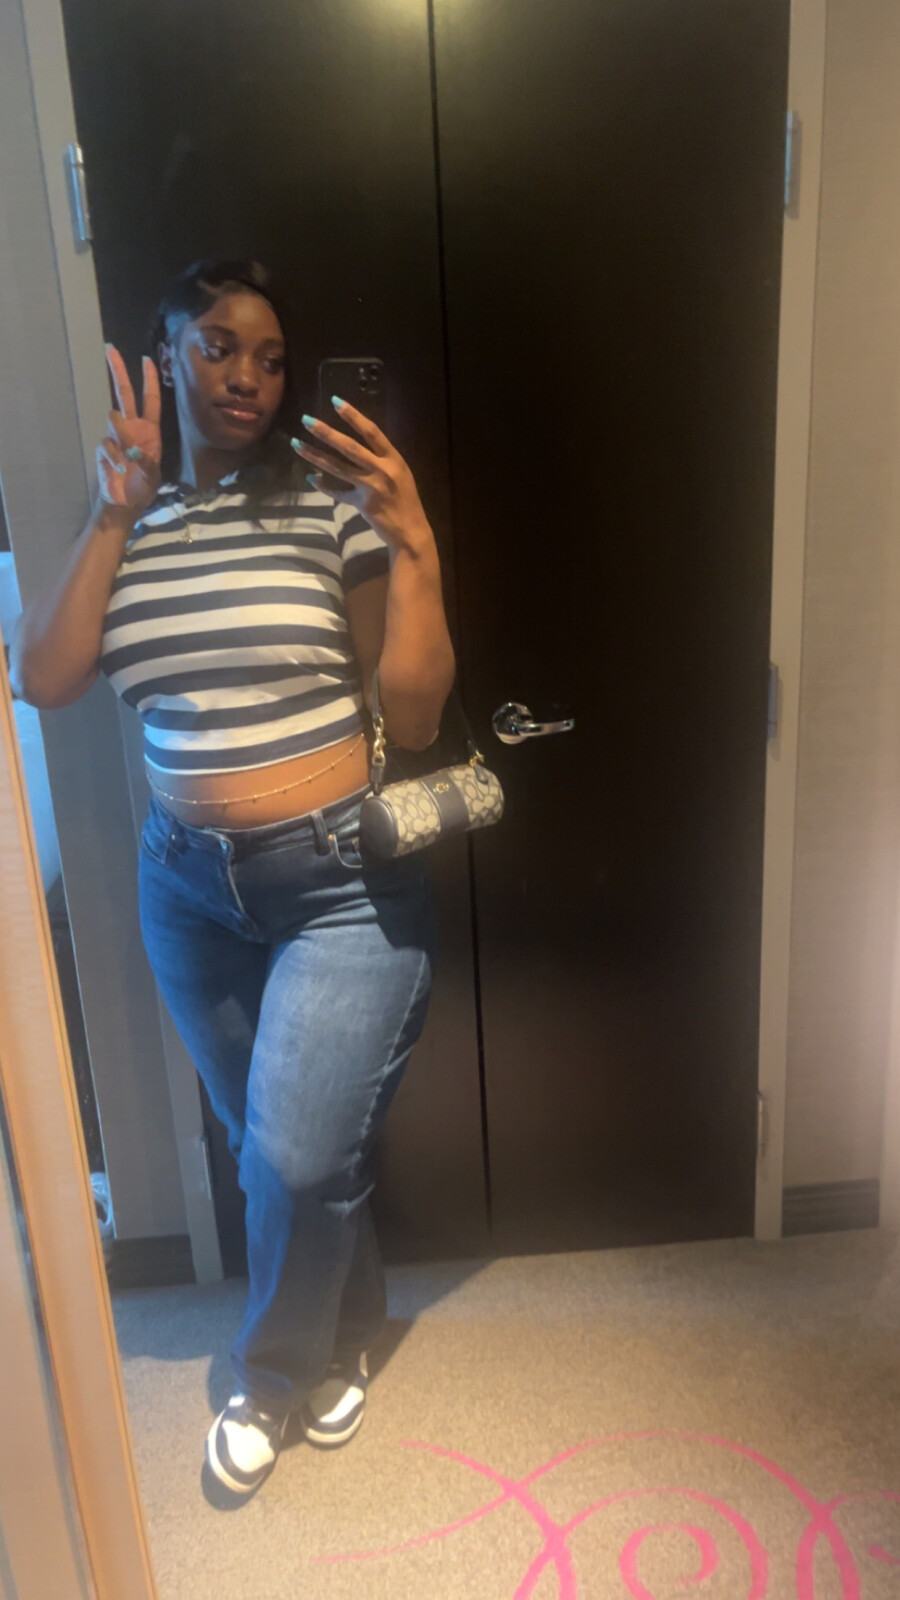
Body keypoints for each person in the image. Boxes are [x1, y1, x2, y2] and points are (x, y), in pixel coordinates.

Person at [10, 259, 455, 1500]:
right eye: (216, 346)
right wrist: (113, 513)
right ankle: (343, 1335)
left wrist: (414, 541)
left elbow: (415, 715)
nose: (247, 375)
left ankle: (267, 1374)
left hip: (339, 885)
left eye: (268, 356)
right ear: (164, 358)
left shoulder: (330, 514)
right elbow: (42, 677)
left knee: (298, 1158)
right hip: (187, 890)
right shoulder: (129, 532)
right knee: (271, 1148)